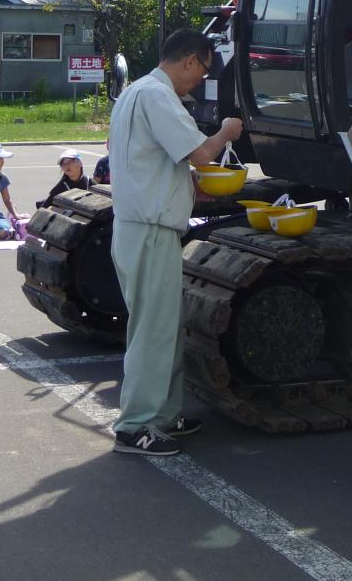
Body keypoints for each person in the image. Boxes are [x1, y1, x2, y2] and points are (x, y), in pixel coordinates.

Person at [109, 28, 243, 457]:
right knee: (152, 328)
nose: (199, 80)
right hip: (149, 227)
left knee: (160, 324)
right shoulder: (159, 96)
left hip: (140, 224)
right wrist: (226, 131)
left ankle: (163, 415)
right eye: (202, 71)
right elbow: (202, 154)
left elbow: (148, 157)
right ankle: (135, 425)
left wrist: (184, 185)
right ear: (189, 60)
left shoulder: (136, 92)